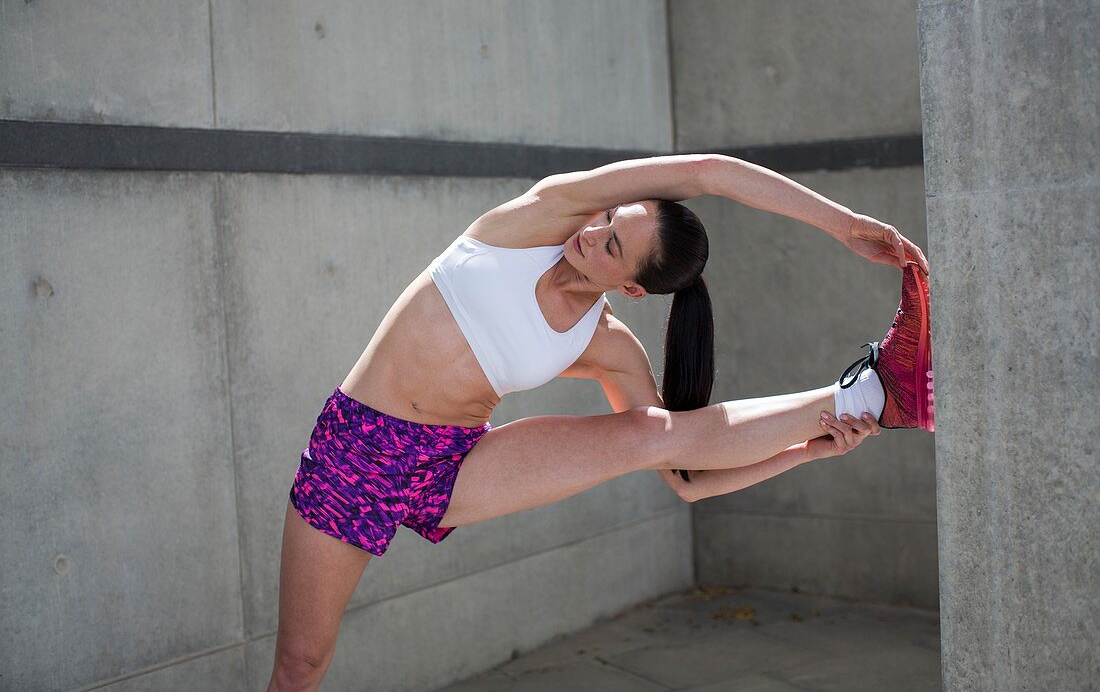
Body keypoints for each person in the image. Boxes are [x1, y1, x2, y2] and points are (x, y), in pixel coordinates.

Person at [266, 153, 933, 691]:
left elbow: (687, 476)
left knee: (648, 432)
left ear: (633, 288)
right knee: (301, 666)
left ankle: (871, 394)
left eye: (612, 244)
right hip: (357, 444)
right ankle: (874, 392)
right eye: (608, 216)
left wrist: (810, 451)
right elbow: (707, 174)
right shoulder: (540, 215)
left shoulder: (607, 345)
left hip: (453, 465)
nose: (591, 231)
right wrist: (844, 224)